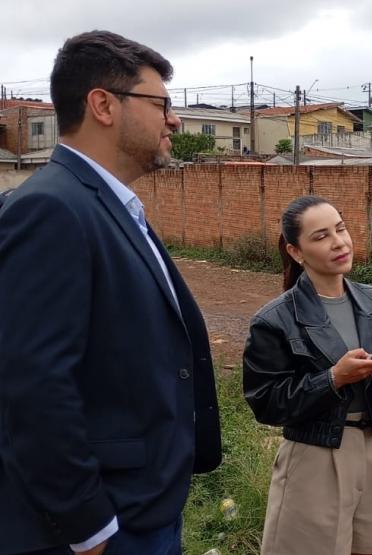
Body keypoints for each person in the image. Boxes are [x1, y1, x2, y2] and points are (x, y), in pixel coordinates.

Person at [0, 31, 221, 555]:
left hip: (144, 507)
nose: (174, 120)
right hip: (101, 528)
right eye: (161, 104)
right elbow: (32, 384)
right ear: (103, 104)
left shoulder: (107, 205)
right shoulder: (51, 209)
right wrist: (87, 526)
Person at [243, 196, 372, 555]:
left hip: (371, 450)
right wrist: (333, 378)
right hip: (313, 456)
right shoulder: (275, 319)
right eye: (321, 236)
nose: (339, 242)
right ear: (296, 252)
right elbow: (266, 403)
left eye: (341, 229)